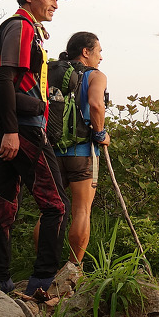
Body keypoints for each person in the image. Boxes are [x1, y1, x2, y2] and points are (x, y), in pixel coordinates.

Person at [0, 0, 73, 296]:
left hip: (16, 127)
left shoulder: (28, 29)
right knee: (57, 205)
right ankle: (43, 283)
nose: (55, 4)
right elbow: (4, 80)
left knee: (5, 202)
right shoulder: (21, 27)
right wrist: (11, 131)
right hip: (22, 129)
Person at [52, 31, 110, 266]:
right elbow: (96, 104)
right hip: (83, 152)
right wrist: (100, 133)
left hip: (51, 150)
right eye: (99, 51)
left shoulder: (51, 72)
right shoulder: (95, 75)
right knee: (82, 211)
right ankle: (73, 269)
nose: (101, 57)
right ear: (86, 52)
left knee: (50, 211)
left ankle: (45, 267)